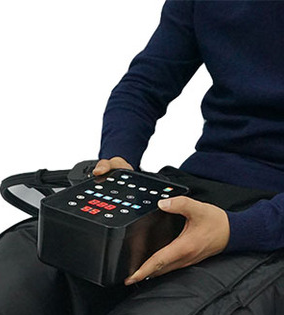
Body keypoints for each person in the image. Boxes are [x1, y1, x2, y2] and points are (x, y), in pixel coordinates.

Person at [91, 0, 284, 285]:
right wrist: (119, 158)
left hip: (271, 219)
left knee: (161, 311)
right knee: (32, 263)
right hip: (199, 186)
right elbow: (144, 86)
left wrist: (238, 230)